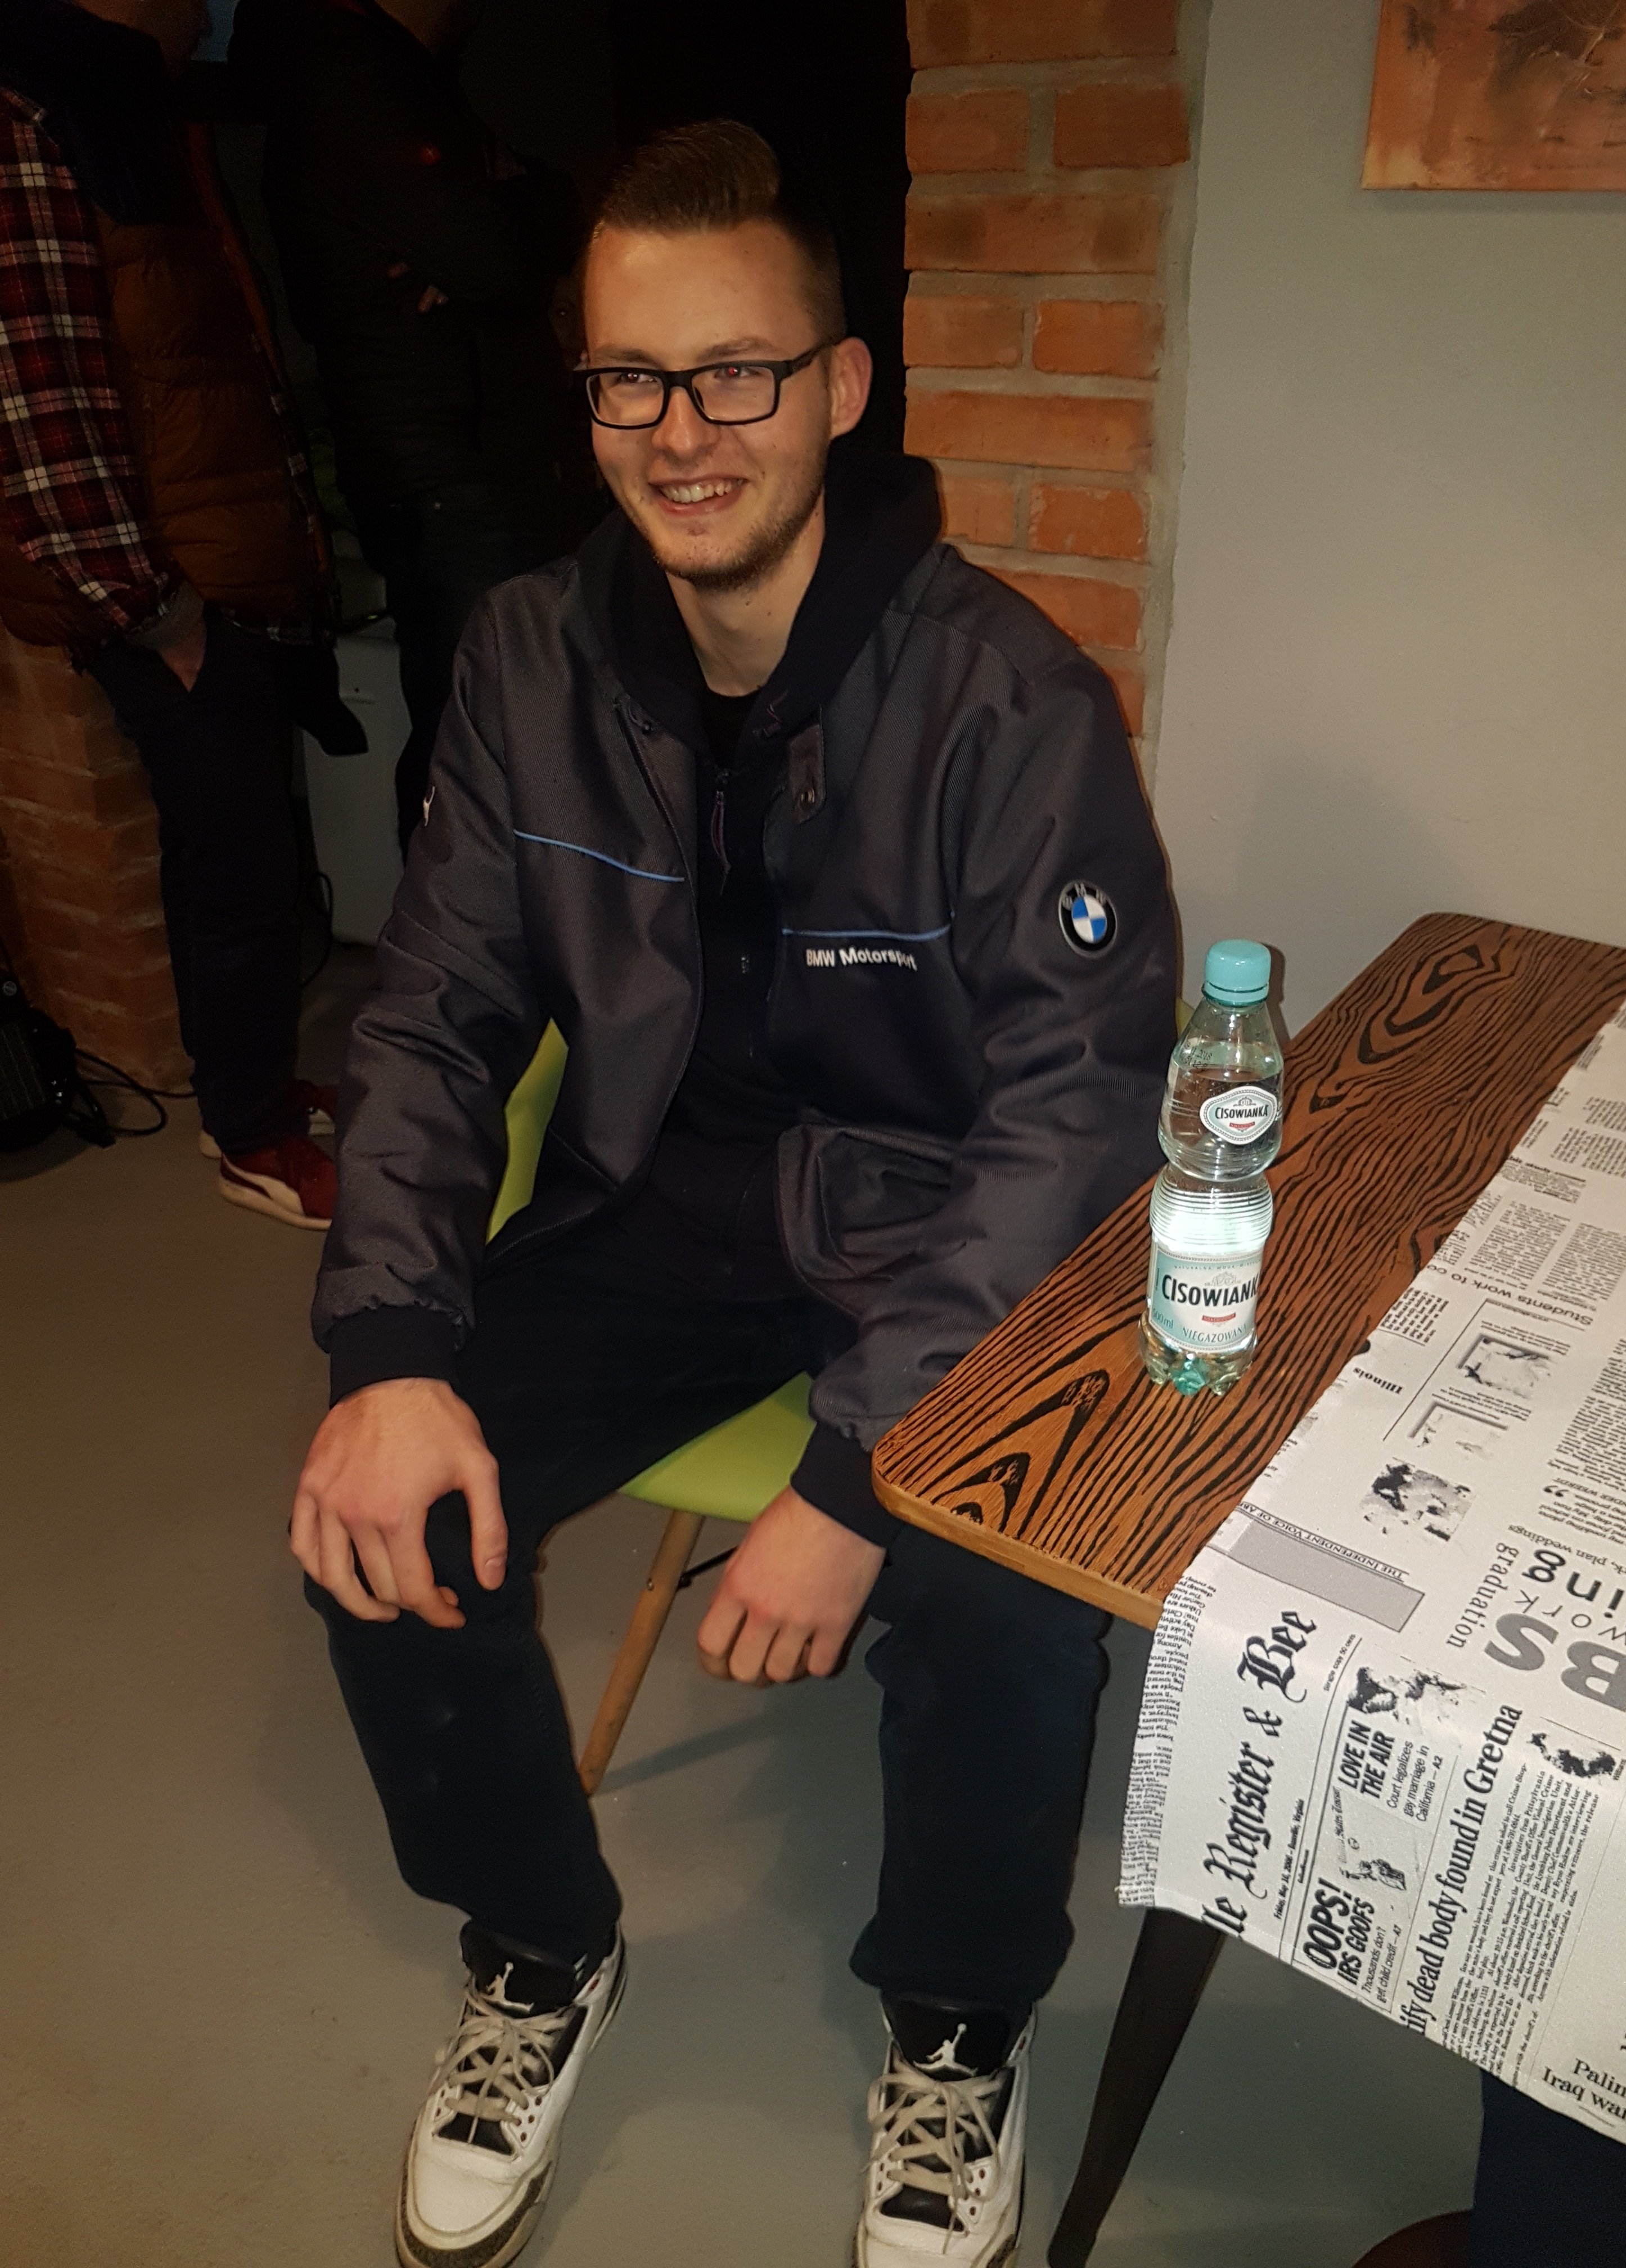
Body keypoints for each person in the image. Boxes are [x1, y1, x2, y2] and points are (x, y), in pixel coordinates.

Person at [291, 120, 1177, 2268]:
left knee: (1002, 1587)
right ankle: (536, 1942)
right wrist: (389, 1348)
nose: (681, 432)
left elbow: (1071, 1118)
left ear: (841, 385)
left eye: (737, 373)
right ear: (586, 390)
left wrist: (860, 1473)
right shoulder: (528, 660)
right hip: (654, 1207)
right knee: (379, 1520)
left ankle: (955, 2018)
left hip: (936, 1229)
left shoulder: (1006, 700)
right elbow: (433, 1020)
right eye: (630, 378)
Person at [0, 0, 353, 1228]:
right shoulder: (27, 114)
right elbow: (40, 398)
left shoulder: (114, 110)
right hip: (167, 593)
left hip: (209, 570)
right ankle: (253, 1139)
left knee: (232, 868)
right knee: (238, 875)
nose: (209, 10)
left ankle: (243, 1095)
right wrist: (158, 614)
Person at [230, 0, 601, 849]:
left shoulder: (397, 76)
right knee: (478, 741)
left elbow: (508, 230)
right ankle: (453, 932)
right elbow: (494, 258)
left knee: (494, 727)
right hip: (445, 464)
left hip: (451, 454)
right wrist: (508, 219)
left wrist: (513, 208)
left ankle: (485, 922)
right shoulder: (351, 78)